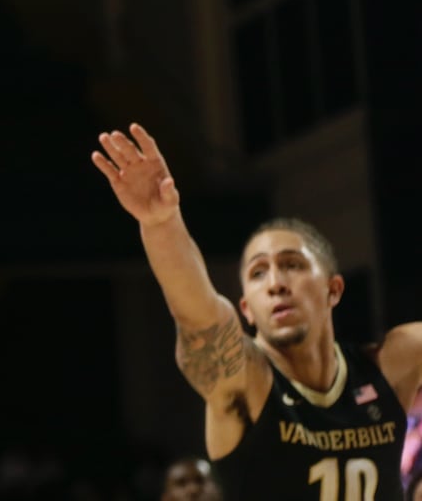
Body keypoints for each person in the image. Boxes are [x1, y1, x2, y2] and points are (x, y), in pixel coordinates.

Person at [91, 124, 422, 501]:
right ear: (246, 309)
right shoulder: (248, 384)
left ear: (334, 289)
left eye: (293, 264)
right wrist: (161, 223)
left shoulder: (392, 365)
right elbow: (198, 313)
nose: (275, 283)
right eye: (258, 272)